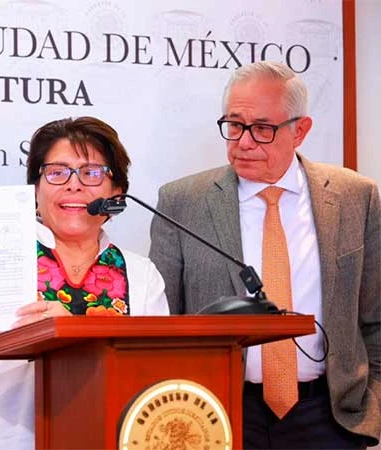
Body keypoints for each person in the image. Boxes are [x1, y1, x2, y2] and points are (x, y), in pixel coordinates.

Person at [149, 61, 380, 449]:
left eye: (262, 128)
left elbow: (375, 318)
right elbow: (161, 326)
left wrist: (371, 405)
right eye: (234, 125)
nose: (243, 142)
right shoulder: (182, 202)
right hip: (218, 411)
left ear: (300, 130)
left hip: (329, 417)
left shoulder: (355, 197)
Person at [0, 116, 169, 449]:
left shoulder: (142, 274)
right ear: (35, 189)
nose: (73, 185)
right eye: (57, 172)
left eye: (91, 173)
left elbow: (154, 385)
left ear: (117, 192)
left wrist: (71, 332)